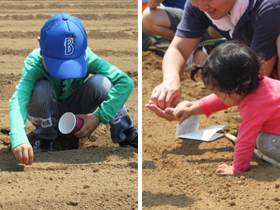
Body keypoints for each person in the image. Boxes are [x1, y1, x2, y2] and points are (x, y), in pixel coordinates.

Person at [9, 13, 138, 166]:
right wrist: (18, 138)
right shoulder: (34, 64)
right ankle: (46, 138)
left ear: (83, 50)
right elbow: (18, 99)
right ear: (40, 44)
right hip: (50, 112)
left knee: (102, 83)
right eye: (56, 64)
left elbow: (125, 82)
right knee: (41, 89)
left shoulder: (87, 57)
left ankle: (126, 133)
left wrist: (98, 116)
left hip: (78, 111)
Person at [147, 0, 280, 117]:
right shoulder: (199, 5)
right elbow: (179, 49)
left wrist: (196, 108)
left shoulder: (269, 7)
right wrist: (171, 81)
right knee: (202, 57)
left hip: (268, 67)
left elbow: (254, 79)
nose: (202, 6)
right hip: (259, 60)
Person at [165, 40, 280, 175]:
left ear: (234, 89)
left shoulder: (253, 107)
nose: (217, 97)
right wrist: (192, 109)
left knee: (263, 142)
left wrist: (237, 169)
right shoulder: (256, 82)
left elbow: (245, 140)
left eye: (218, 93)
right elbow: (223, 100)